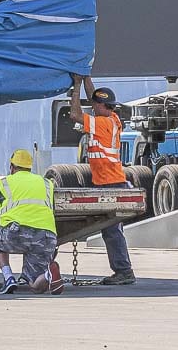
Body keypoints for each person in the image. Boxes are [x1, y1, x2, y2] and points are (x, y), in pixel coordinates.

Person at [69, 74, 136, 285]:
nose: (93, 106)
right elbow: (94, 98)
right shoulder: (113, 118)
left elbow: (74, 114)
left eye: (95, 105)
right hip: (110, 180)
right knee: (112, 229)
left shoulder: (103, 123)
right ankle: (123, 270)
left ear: (100, 107)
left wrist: (77, 84)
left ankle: (124, 271)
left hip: (110, 182)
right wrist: (87, 76)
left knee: (111, 230)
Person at [0, 149, 63, 295]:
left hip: (19, 233)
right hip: (46, 237)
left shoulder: (5, 183)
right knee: (35, 286)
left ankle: (8, 278)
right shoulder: (46, 184)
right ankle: (47, 275)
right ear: (30, 167)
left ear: (12, 167)